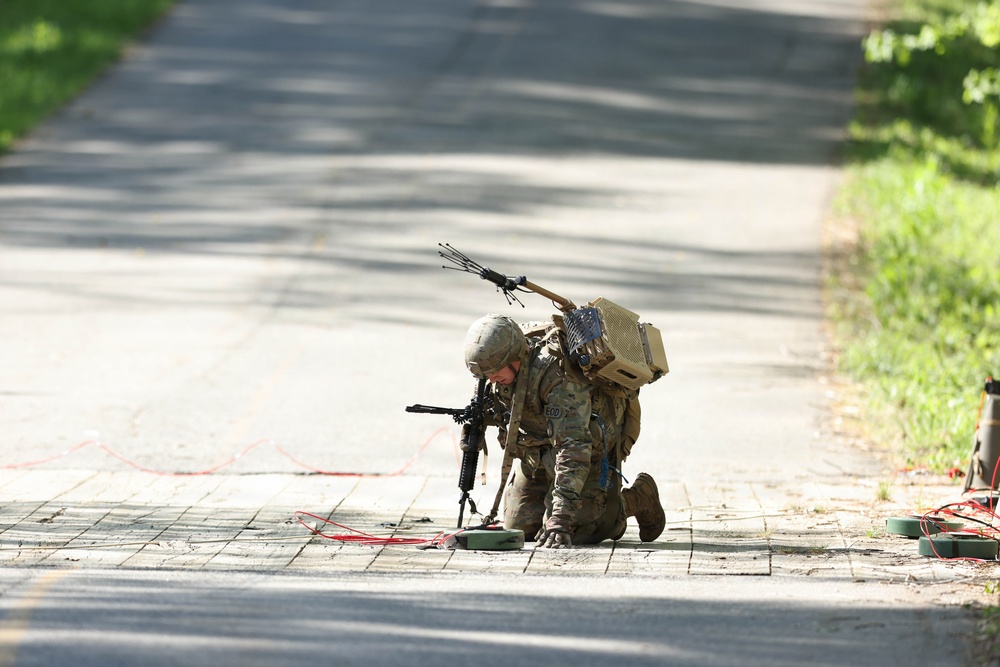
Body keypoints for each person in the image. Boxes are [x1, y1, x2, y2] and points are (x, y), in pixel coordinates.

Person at [463, 313, 665, 549]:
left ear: (516, 356)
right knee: (519, 529)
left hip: (585, 453)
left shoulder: (557, 379)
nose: (491, 380)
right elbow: (489, 410)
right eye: (486, 375)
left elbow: (574, 449)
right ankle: (552, 497)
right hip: (537, 453)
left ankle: (639, 498)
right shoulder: (495, 372)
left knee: (577, 529)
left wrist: (560, 518)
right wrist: (471, 432)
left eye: (496, 373)